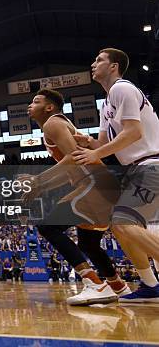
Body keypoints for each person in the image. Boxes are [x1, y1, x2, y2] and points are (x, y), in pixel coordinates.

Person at [23, 89, 129, 305]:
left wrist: (40, 181)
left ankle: (95, 284)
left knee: (48, 226)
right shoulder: (54, 126)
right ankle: (119, 286)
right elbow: (69, 169)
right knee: (88, 244)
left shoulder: (53, 123)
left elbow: (75, 158)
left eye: (35, 101)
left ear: (49, 107)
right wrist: (42, 188)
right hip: (101, 185)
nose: (30, 105)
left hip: (94, 183)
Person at [73, 48, 159, 303]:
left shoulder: (123, 88)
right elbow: (102, 142)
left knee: (124, 224)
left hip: (149, 164)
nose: (93, 63)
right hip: (134, 169)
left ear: (114, 66)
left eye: (99, 59)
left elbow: (134, 133)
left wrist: (94, 154)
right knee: (120, 228)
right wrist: (87, 142)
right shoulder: (107, 102)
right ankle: (150, 284)